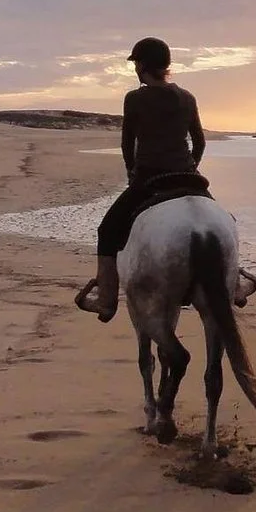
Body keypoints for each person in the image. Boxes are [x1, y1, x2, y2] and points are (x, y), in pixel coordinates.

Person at [84, 38, 205, 322]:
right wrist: (191, 168)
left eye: (136, 63)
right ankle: (233, 279)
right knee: (223, 220)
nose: (135, 68)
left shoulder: (135, 98)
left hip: (150, 179)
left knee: (107, 230)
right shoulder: (187, 98)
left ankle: (106, 300)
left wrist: (132, 173)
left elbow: (128, 144)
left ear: (142, 65)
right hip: (188, 177)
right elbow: (199, 142)